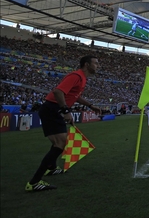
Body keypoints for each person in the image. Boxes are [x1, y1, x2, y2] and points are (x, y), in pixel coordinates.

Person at [25, 55, 102, 192]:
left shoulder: (82, 78)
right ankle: (34, 182)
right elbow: (58, 91)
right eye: (96, 63)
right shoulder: (76, 76)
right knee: (61, 143)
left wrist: (90, 105)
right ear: (86, 64)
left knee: (58, 142)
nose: (98, 66)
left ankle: (52, 168)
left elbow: (75, 96)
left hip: (53, 109)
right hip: (52, 109)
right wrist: (65, 110)